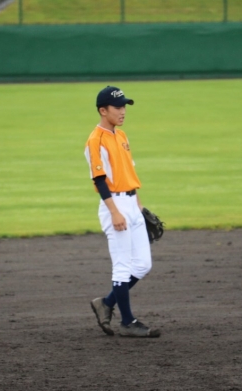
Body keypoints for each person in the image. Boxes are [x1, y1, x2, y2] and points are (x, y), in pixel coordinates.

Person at [84, 86, 160, 338]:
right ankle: (128, 322)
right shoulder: (95, 140)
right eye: (117, 107)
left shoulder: (122, 135)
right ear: (103, 110)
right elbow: (99, 180)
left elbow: (129, 173)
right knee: (122, 265)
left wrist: (139, 207)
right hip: (113, 205)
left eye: (124, 106)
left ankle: (106, 303)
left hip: (131, 203)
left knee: (142, 265)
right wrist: (115, 213)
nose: (123, 111)